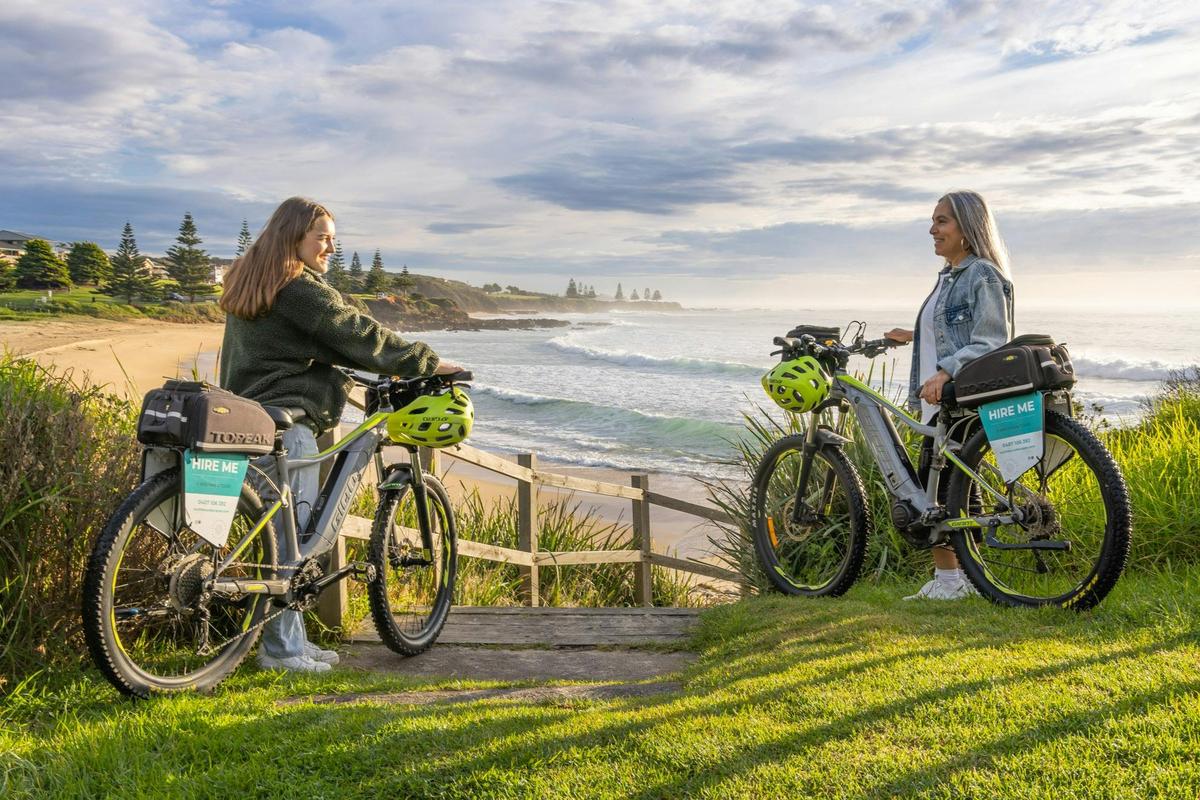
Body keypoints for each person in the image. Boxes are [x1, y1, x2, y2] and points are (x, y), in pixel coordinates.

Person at [219, 197, 463, 672]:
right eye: (322, 237)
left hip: (249, 420)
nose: (331, 247)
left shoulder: (254, 279)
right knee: (292, 540)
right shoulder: (295, 286)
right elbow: (353, 330)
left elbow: (312, 342)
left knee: (280, 536)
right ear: (294, 236)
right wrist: (427, 363)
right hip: (287, 428)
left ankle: (292, 639)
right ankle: (281, 652)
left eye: (333, 238)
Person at [884, 190, 1014, 600]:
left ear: (967, 227)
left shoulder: (982, 274)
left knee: (942, 491)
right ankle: (961, 580)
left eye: (942, 221)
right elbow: (954, 330)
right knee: (949, 490)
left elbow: (990, 340)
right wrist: (913, 334)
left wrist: (945, 371)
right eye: (933, 221)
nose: (932, 229)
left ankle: (954, 581)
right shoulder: (950, 275)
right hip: (940, 401)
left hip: (959, 399)